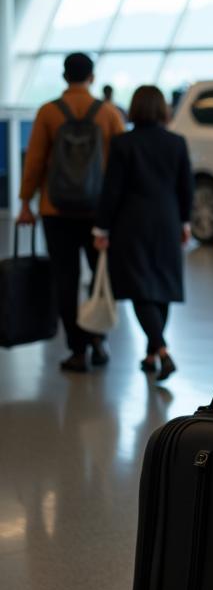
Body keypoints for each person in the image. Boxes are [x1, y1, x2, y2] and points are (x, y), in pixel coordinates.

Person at [16, 52, 124, 371]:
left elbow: (34, 161)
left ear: (65, 77)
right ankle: (98, 341)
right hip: (98, 213)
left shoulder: (49, 112)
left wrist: (25, 202)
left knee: (66, 279)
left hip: (55, 209)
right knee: (100, 278)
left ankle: (77, 350)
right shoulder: (108, 113)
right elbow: (121, 164)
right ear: (91, 78)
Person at [92, 86, 193, 382]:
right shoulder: (176, 143)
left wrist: (102, 227)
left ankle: (160, 349)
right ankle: (151, 355)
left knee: (139, 287)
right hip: (167, 220)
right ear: (162, 109)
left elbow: (112, 190)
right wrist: (185, 223)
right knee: (161, 285)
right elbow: (186, 187)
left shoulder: (124, 143)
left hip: (131, 222)